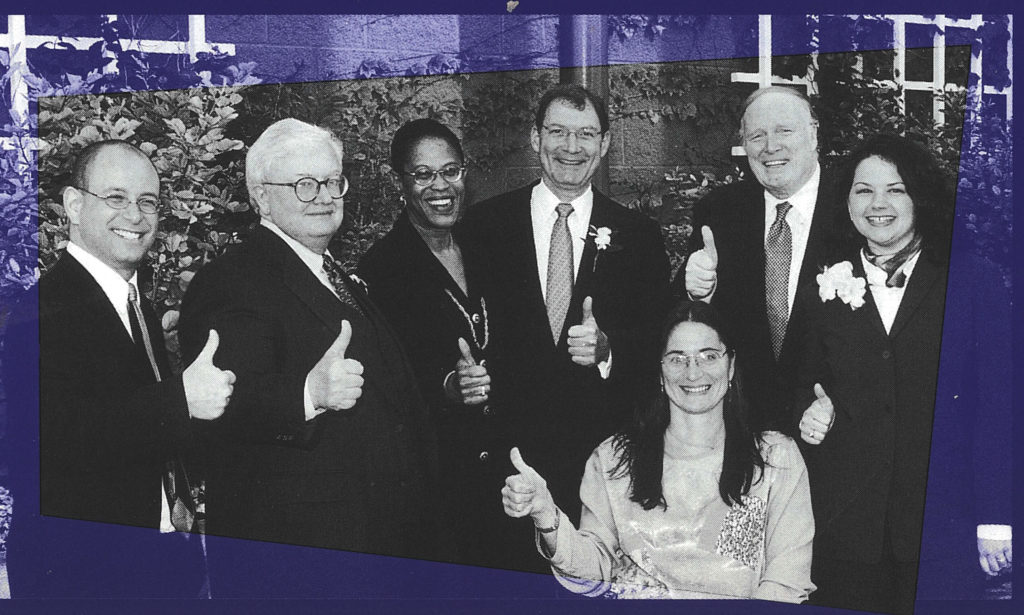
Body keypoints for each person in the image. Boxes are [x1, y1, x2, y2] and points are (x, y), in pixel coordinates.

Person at [178, 118, 444, 596]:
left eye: (332, 181)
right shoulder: (233, 280)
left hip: (375, 546)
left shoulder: (332, 272)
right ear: (261, 196)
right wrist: (307, 394)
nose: (323, 196)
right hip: (301, 561)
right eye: (304, 184)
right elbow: (223, 404)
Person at [1, 140, 234, 598]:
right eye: (116, 197)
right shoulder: (42, 310)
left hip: (156, 568)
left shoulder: (135, 306)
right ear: (73, 204)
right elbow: (44, 445)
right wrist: (179, 400)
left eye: (147, 201)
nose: (135, 215)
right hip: (82, 579)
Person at [793, 135, 1011, 613]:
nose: (878, 204)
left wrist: (996, 518)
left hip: (945, 529)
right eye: (863, 190)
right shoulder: (821, 288)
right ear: (846, 201)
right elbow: (795, 384)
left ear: (920, 197)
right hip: (846, 532)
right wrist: (808, 411)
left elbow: (1001, 408)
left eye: (895, 189)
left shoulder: (972, 280)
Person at [460, 84, 672, 571]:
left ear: (605, 143)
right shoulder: (483, 227)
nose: (571, 147)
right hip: (507, 471)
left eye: (585, 134)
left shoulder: (639, 238)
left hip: (598, 473)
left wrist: (608, 351)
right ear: (535, 138)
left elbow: (658, 348)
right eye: (557, 132)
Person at [501, 300, 814, 601]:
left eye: (709, 356)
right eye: (677, 358)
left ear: (730, 367)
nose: (693, 372)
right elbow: (592, 575)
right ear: (661, 374)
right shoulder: (613, 460)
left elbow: (786, 583)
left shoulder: (776, 459)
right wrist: (546, 514)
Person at [358, 118, 508, 568]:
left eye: (450, 171)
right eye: (423, 174)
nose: (440, 186)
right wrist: (448, 386)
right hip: (438, 487)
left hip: (504, 482)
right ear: (400, 184)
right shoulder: (382, 269)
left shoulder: (488, 247)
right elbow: (385, 384)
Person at [681, 86, 843, 435]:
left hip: (834, 426)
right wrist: (697, 294)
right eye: (757, 136)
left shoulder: (854, 207)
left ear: (814, 134)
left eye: (784, 131)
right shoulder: (720, 213)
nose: (770, 147)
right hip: (743, 428)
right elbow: (680, 324)